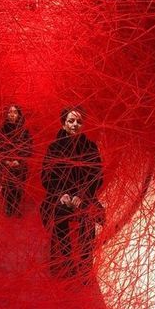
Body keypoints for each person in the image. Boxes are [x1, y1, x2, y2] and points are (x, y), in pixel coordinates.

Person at [41, 106, 104, 280]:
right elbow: (46, 177)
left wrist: (81, 195)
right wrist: (61, 194)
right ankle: (67, 258)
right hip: (59, 197)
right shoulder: (54, 148)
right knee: (59, 214)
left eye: (79, 121)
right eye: (71, 121)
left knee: (88, 216)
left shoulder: (90, 147)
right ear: (63, 124)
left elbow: (97, 177)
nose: (75, 124)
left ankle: (84, 264)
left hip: (83, 196)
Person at [0, 104, 32, 216]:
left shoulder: (24, 131)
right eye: (10, 112)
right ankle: (8, 207)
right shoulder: (1, 130)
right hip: (4, 165)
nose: (12, 115)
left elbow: (28, 148)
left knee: (17, 188)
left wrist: (18, 161)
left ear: (19, 115)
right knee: (6, 187)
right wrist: (5, 160)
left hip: (19, 165)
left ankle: (15, 207)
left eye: (15, 112)